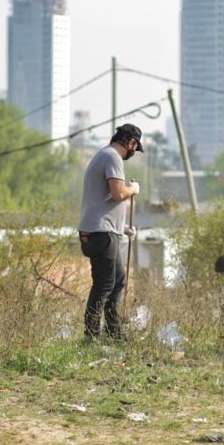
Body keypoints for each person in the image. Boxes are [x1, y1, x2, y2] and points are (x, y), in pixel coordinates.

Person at [77, 123, 143, 339]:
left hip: (103, 231)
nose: (133, 152)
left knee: (118, 280)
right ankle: (92, 337)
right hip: (101, 234)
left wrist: (121, 228)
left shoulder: (103, 155)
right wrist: (133, 189)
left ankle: (114, 333)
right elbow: (117, 193)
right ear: (131, 143)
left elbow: (101, 202)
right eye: (134, 147)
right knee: (104, 285)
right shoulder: (112, 157)